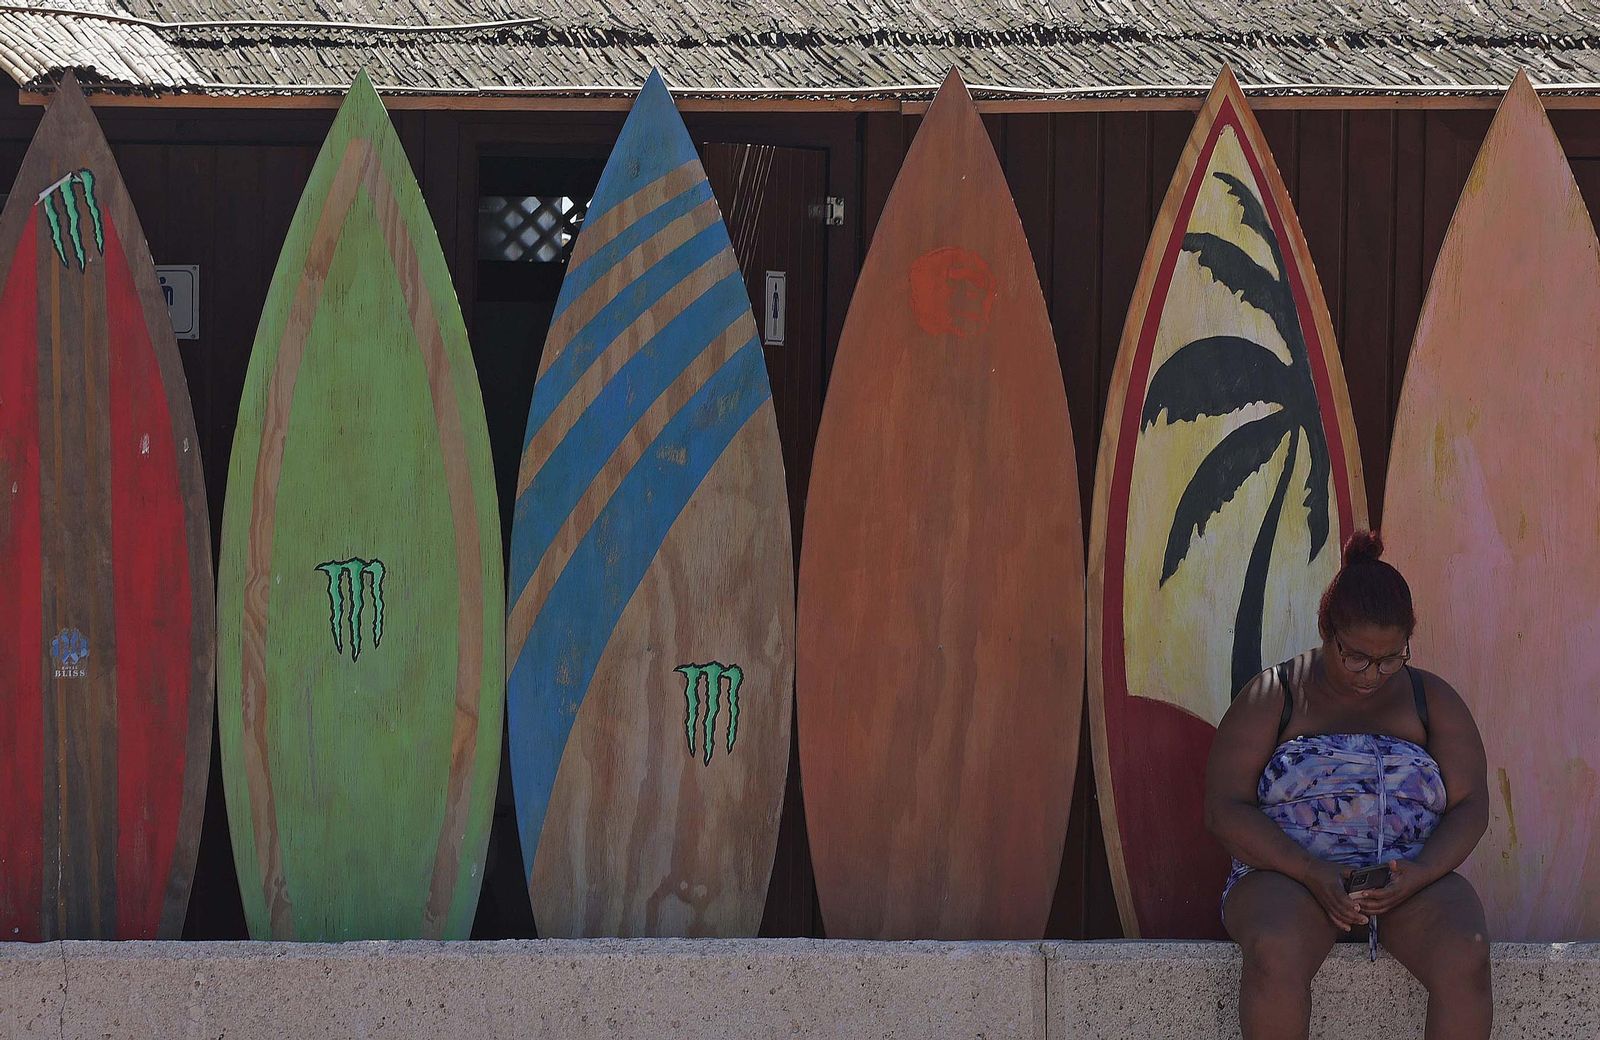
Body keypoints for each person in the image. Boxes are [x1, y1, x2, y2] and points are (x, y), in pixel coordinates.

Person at [1204, 530, 1492, 1039]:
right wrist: (1311, 871)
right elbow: (1224, 808)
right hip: (1288, 877)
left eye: (1390, 659)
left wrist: (1421, 873)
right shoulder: (1276, 694)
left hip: (1404, 881)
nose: (1372, 675)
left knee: (1465, 949)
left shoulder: (1432, 700)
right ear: (1326, 630)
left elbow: (1470, 805)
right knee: (1275, 948)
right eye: (1355, 656)